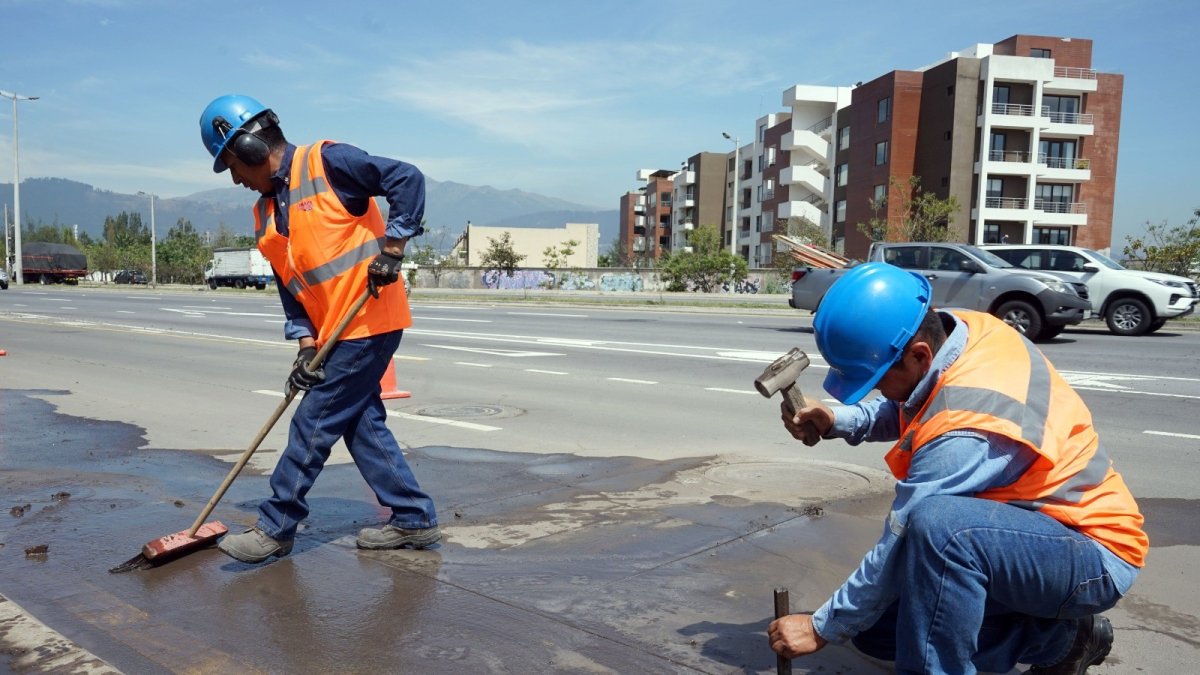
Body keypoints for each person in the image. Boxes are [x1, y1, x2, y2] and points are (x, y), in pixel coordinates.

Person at [768, 262, 1146, 674]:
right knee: (876, 629)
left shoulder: (966, 434)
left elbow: (900, 536)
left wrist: (821, 627)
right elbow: (916, 401)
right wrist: (839, 420)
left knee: (940, 527)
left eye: (876, 379)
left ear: (919, 355)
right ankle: (1067, 640)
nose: (876, 388)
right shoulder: (966, 330)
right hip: (1023, 536)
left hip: (1089, 556)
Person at [198, 94, 439, 563]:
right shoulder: (265, 212)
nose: (235, 179)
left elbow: (407, 178)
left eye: (232, 165)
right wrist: (306, 344)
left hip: (368, 319)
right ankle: (413, 517)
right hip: (332, 333)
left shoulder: (328, 162)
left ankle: (276, 525)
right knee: (362, 424)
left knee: (313, 422)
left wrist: (393, 248)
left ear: (249, 147)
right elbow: (292, 286)